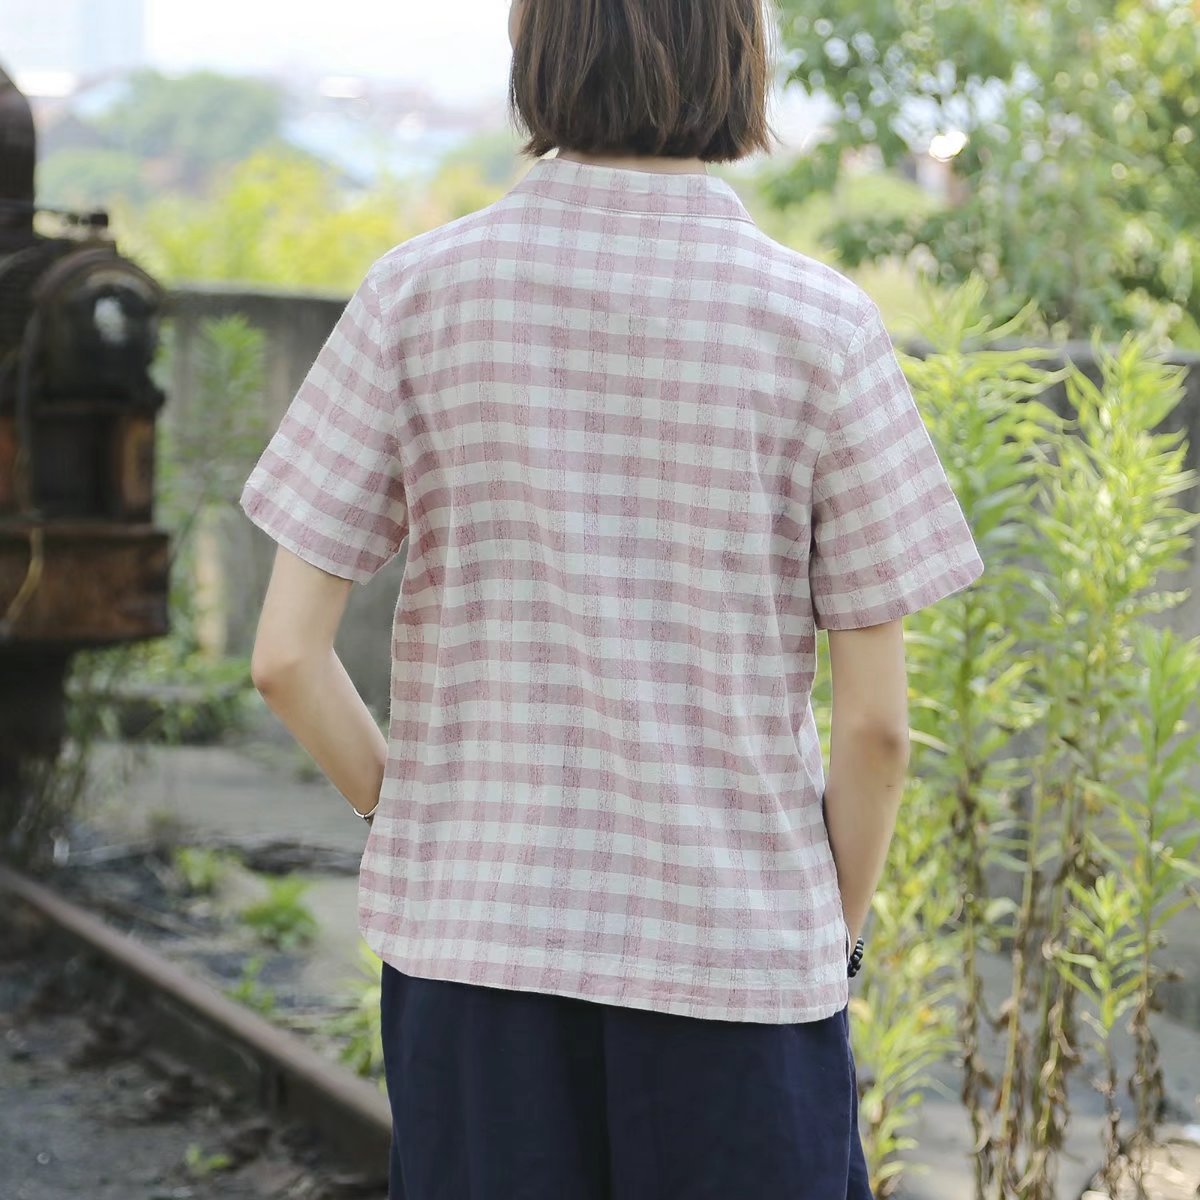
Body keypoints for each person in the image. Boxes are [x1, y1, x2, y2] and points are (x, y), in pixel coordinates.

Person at [239, 1, 985, 1196]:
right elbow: (877, 730)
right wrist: (820, 935)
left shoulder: (416, 296)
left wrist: (417, 819)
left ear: (537, 52)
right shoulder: (823, 328)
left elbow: (286, 656)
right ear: (737, 58)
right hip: (738, 969)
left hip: (474, 961)